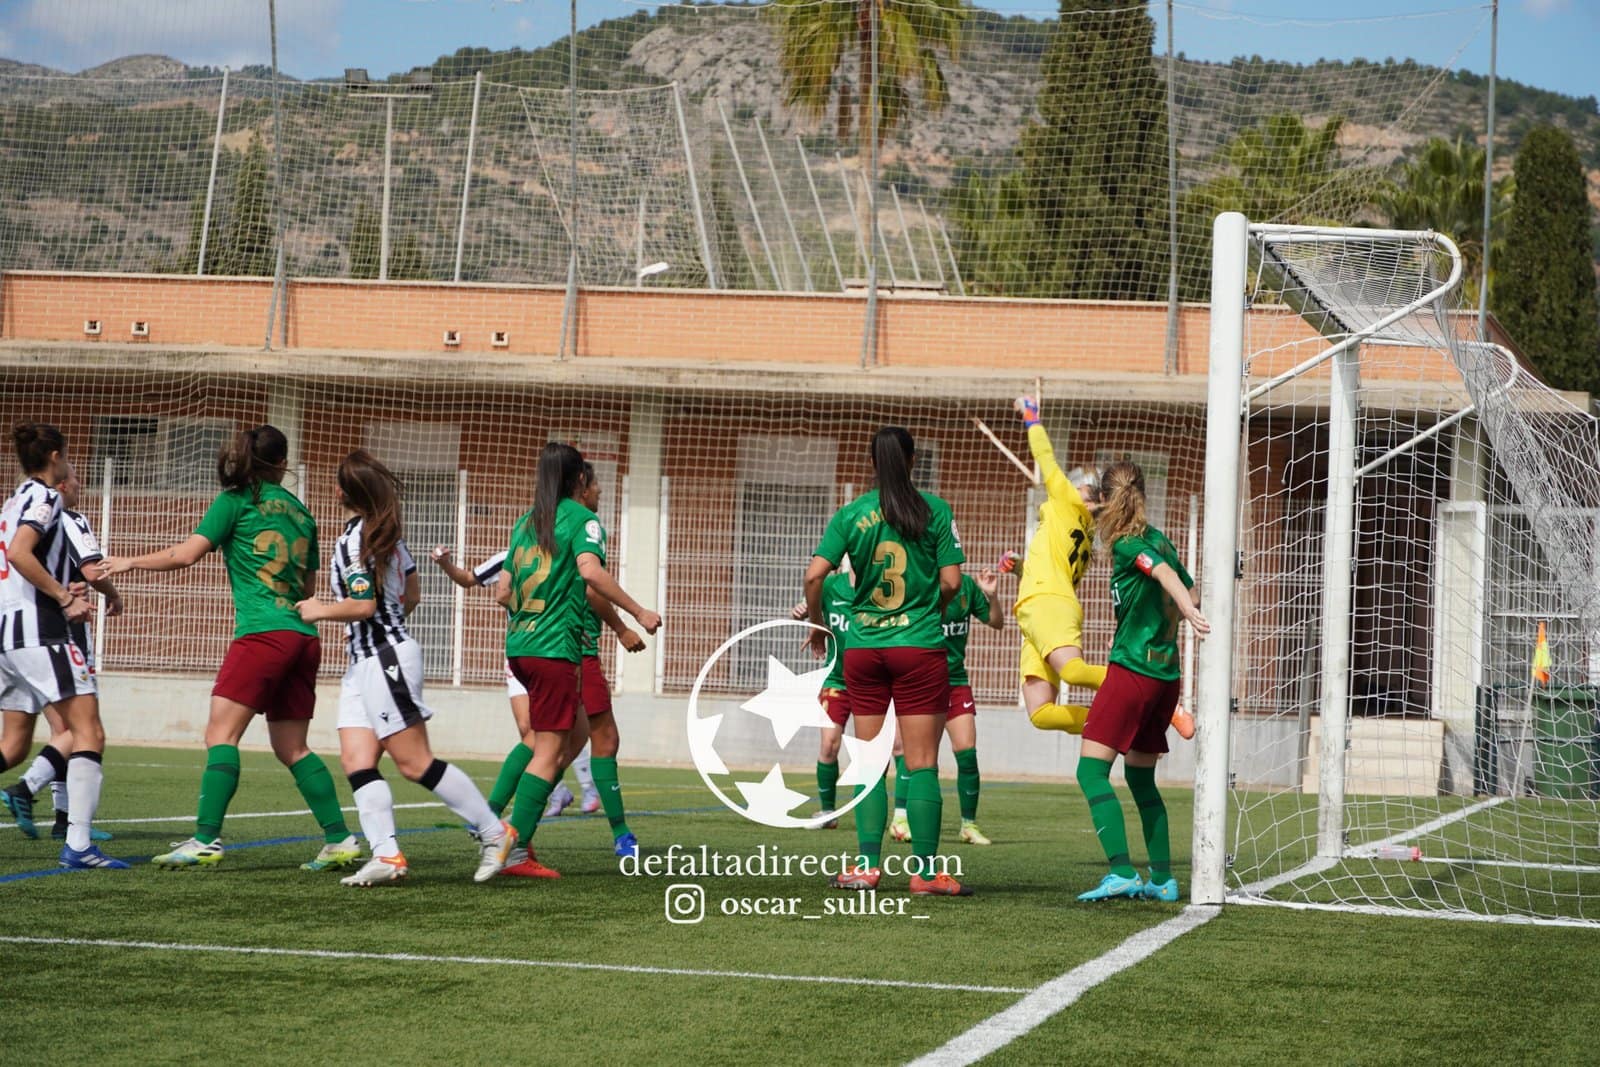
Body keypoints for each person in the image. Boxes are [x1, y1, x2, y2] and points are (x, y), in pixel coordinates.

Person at [96, 425, 360, 871]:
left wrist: (130, 560)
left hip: (262, 634)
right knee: (293, 747)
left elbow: (185, 555)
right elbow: (307, 589)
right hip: (302, 635)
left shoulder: (235, 500)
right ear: (283, 464)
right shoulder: (302, 513)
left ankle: (205, 839)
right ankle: (339, 838)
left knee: (221, 735)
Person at [294, 449, 509, 886]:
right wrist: (382, 625)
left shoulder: (354, 541)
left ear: (342, 492)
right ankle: (387, 855)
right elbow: (411, 595)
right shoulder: (386, 536)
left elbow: (364, 605)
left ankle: (495, 832)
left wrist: (319, 610)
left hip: (383, 658)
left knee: (414, 763)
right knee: (357, 760)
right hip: (366, 661)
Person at [805, 426, 970, 896]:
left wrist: (818, 625)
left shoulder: (851, 513)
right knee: (921, 763)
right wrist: (925, 611)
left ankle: (866, 867)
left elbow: (814, 576)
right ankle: (925, 873)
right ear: (912, 461)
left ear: (872, 464)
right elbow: (953, 583)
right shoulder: (935, 510)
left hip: (863, 649)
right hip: (919, 647)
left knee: (871, 760)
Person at [488, 443, 661, 878]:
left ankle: (499, 825)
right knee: (558, 748)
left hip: (520, 646)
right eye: (594, 480)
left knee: (556, 741)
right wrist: (635, 615)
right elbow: (589, 577)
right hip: (560, 649)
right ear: (580, 480)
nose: (599, 489)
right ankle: (508, 840)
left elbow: (503, 591)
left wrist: (533, 617)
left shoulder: (526, 521)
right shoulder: (583, 521)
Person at [1009, 395, 1193, 741]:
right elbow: (1051, 571)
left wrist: (1031, 417)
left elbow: (1045, 456)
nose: (1073, 482)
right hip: (1036, 608)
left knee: (1074, 672)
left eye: (1079, 482)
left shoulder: (1066, 501)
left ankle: (1157, 702)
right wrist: (1020, 568)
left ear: (1087, 494)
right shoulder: (1084, 530)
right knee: (1042, 713)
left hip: (1045, 605)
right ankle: (1117, 722)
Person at [1075, 460, 1209, 903]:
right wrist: (1182, 609)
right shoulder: (1160, 539)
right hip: (1165, 678)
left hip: (1133, 671)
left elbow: (1166, 578)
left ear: (1106, 500)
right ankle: (1164, 880)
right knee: (1140, 779)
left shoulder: (1130, 543)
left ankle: (1121, 872)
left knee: (1091, 771)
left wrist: (1185, 612)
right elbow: (1191, 589)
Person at [0, 423, 124, 867]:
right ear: (55, 457)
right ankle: (78, 844)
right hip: (40, 630)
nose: (71, 465)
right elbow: (19, 553)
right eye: (68, 455)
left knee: (14, 745)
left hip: (9, 633)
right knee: (88, 731)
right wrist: (64, 596)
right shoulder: (45, 496)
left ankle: (64, 824)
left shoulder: (12, 501)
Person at [791, 562, 852, 828]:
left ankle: (899, 814)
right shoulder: (830, 586)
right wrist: (803, 611)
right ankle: (827, 812)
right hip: (836, 680)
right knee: (828, 745)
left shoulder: (879, 586)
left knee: (888, 749)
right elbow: (807, 608)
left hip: (872, 681)